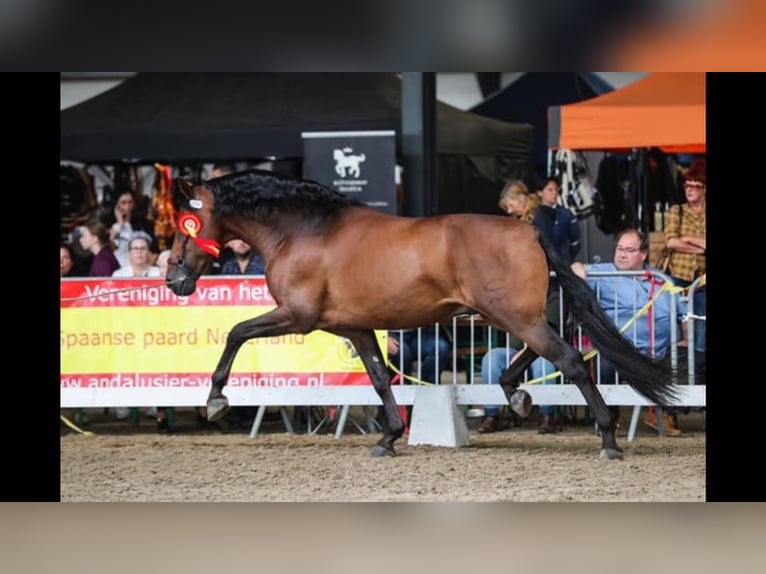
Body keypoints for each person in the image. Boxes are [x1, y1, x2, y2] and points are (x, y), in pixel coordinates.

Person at [541, 228, 684, 436]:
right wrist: (577, 268)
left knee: (689, 358)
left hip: (660, 351)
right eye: (619, 249)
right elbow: (576, 267)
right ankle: (609, 417)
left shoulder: (660, 279)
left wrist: (686, 338)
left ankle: (663, 412)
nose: (622, 254)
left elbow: (682, 312)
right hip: (619, 350)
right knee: (604, 363)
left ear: (643, 254)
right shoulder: (604, 273)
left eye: (629, 250)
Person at [478, 180, 562, 434]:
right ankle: (492, 415)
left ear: (521, 199)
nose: (509, 211)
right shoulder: (522, 224)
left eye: (511, 205)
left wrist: (527, 349)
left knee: (543, 362)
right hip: (519, 339)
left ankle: (549, 416)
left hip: (539, 340)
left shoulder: (540, 220)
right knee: (491, 358)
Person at [663, 158, 706, 354]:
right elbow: (671, 241)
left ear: (704, 189)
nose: (689, 190)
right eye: (687, 185)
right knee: (680, 321)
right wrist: (700, 247)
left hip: (703, 278)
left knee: (702, 322)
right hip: (680, 275)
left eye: (694, 186)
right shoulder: (677, 211)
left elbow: (678, 241)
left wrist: (687, 238)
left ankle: (699, 363)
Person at [102, 190, 158, 268]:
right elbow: (106, 243)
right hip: (117, 266)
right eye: (123, 203)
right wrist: (120, 223)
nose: (127, 206)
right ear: (116, 204)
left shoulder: (142, 221)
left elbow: (154, 248)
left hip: (140, 266)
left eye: (130, 202)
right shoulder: (107, 221)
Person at [536, 175, 581, 265]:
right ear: (539, 193)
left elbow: (576, 242)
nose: (554, 193)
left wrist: (566, 258)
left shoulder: (566, 215)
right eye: (550, 190)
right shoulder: (533, 214)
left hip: (563, 263)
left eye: (556, 189)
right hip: (540, 263)